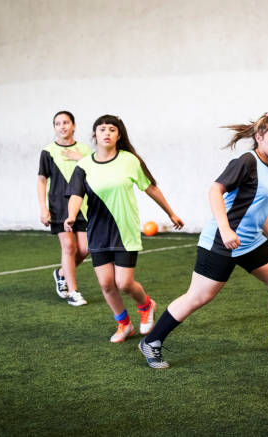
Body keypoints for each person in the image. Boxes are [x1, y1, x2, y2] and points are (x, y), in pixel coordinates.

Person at [138, 113, 268, 369]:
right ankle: (151, 342)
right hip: (221, 242)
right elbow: (215, 191)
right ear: (259, 137)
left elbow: (256, 208)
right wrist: (225, 229)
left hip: (250, 241)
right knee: (198, 296)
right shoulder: (246, 161)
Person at [65, 114, 184, 343]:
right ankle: (124, 324)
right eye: (102, 129)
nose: (106, 133)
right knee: (106, 283)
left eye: (112, 129)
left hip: (125, 230)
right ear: (94, 135)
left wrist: (170, 212)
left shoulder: (130, 160)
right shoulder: (84, 165)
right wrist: (71, 216)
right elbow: (76, 195)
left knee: (124, 283)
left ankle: (146, 305)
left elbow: (150, 188)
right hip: (97, 231)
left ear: (119, 135)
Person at [37, 111, 90, 306]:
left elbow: (94, 172)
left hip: (83, 206)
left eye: (66, 122)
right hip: (59, 206)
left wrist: (80, 158)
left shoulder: (85, 150)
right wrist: (43, 208)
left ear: (74, 125)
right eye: (57, 124)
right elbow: (41, 180)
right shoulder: (48, 151)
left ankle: (60, 273)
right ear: (54, 128)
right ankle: (73, 292)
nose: (62, 127)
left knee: (84, 249)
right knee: (69, 246)